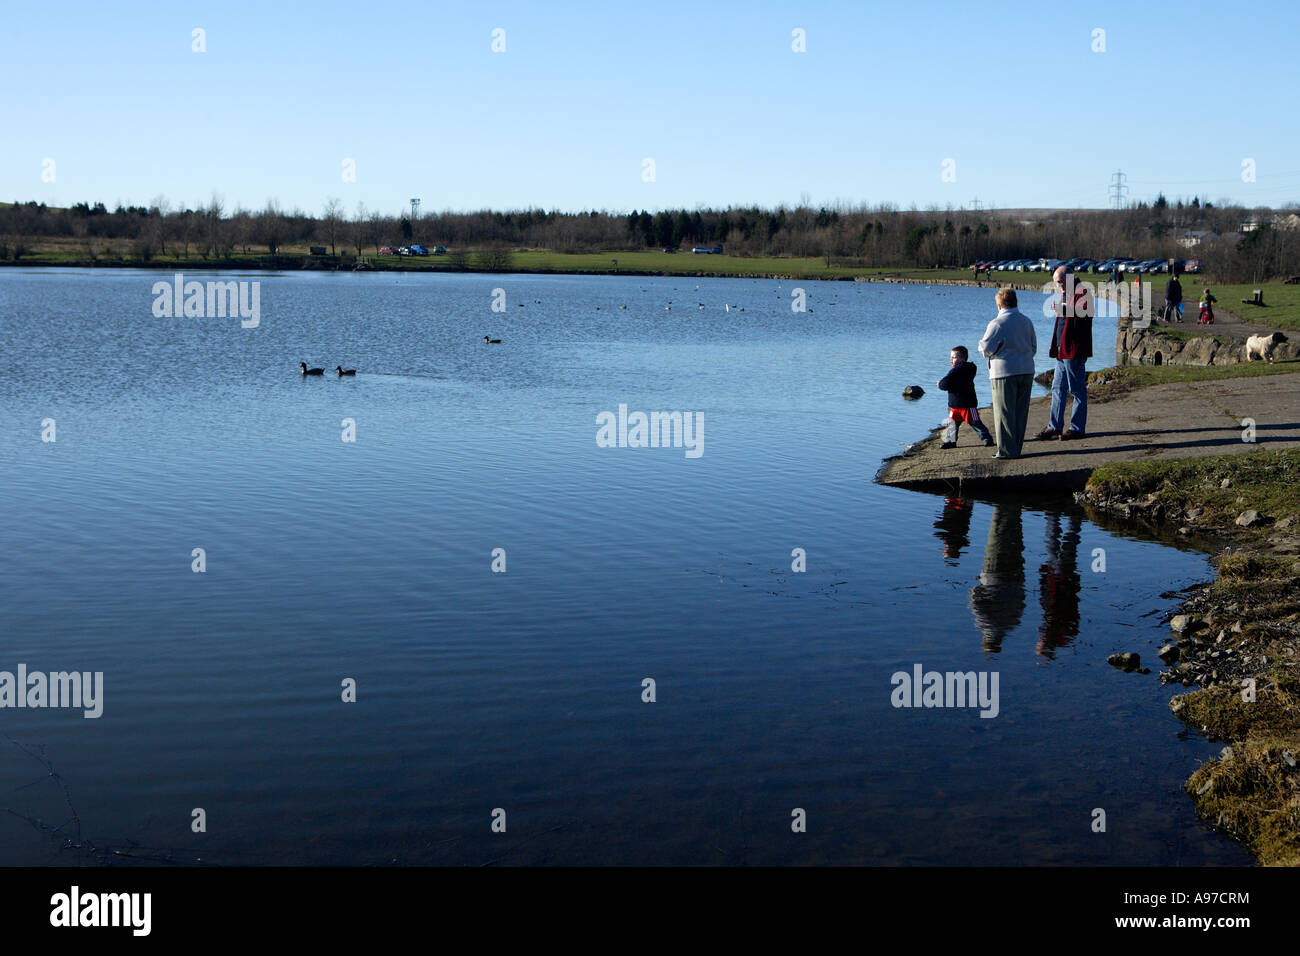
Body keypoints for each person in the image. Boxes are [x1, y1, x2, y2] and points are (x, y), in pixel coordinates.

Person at [977, 288, 1037, 459]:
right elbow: (1033, 347)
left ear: (999, 305)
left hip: (1003, 371)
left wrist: (986, 349)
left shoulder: (997, 323)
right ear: (1016, 302)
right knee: (1020, 412)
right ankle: (1016, 448)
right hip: (1026, 369)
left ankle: (1005, 451)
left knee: (1004, 413)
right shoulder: (1027, 321)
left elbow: (986, 348)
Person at [1036, 266, 1093, 441]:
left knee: (1077, 390)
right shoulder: (1066, 292)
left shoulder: (1082, 291)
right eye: (1056, 283)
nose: (1058, 286)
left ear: (1068, 278)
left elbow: (1087, 313)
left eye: (1060, 282)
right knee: (1057, 388)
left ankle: (1077, 429)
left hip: (1074, 350)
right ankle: (1055, 426)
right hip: (1062, 350)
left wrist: (1064, 310)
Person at [937, 345, 994, 449]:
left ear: (963, 358)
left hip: (966, 404)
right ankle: (951, 441)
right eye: (951, 357)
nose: (951, 359)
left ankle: (986, 438)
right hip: (955, 405)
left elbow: (945, 384)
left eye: (954, 357)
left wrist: (940, 384)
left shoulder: (956, 371)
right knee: (953, 424)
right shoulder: (967, 369)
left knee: (975, 423)